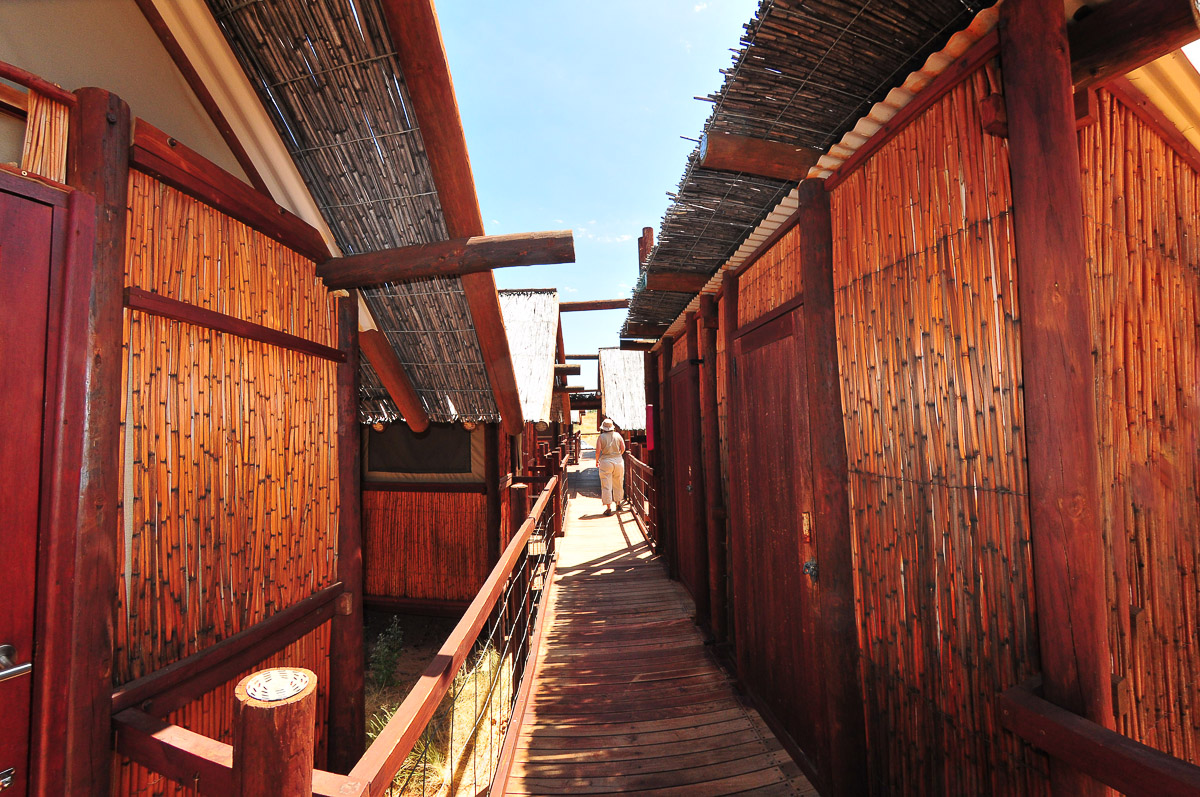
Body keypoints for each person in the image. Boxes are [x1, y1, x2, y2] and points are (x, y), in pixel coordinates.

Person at [594, 418, 626, 516]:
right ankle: (618, 503)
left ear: (603, 428)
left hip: (606, 461)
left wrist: (597, 460)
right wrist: (618, 455)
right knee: (618, 482)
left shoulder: (601, 437)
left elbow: (598, 451)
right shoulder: (618, 435)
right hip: (618, 461)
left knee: (606, 484)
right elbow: (623, 448)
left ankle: (608, 507)